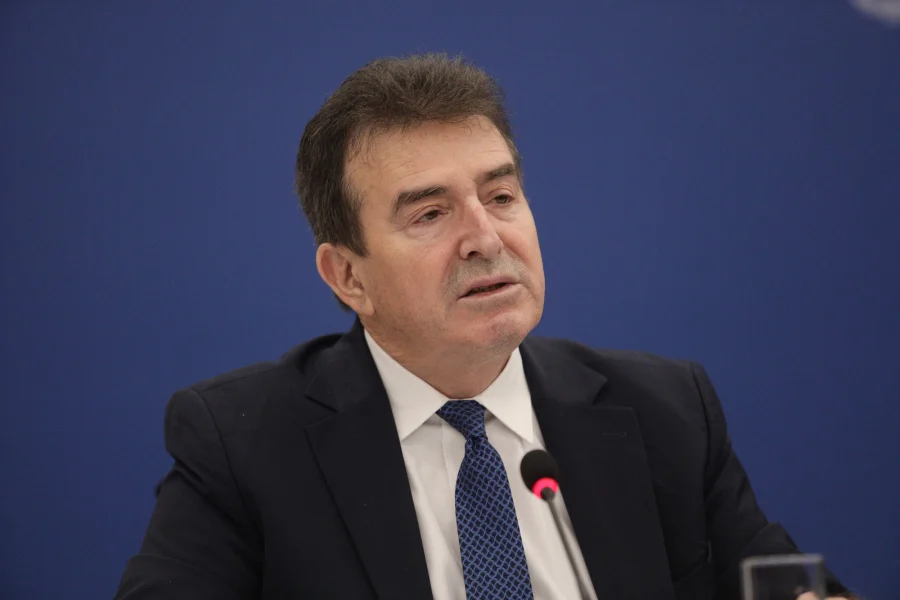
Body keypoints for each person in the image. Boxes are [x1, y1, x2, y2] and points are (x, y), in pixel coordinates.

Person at [115, 54, 855, 600]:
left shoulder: (667, 413)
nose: (485, 238)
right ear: (348, 276)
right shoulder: (244, 445)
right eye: (430, 214)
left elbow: (787, 589)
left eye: (500, 196)